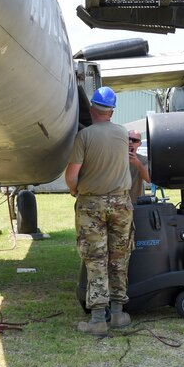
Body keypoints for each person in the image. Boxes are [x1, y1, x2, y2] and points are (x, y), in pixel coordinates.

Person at [64, 86, 133, 336]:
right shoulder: (123, 134)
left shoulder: (84, 137)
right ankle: (117, 313)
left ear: (92, 109)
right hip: (121, 204)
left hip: (91, 205)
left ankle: (97, 319)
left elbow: (72, 175)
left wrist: (75, 190)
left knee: (96, 260)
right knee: (118, 258)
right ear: (112, 111)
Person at [127, 130, 150, 204]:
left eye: (134, 140)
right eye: (128, 139)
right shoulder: (115, 158)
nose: (130, 142)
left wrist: (137, 163)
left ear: (139, 144)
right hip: (117, 202)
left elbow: (148, 179)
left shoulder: (144, 159)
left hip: (136, 202)